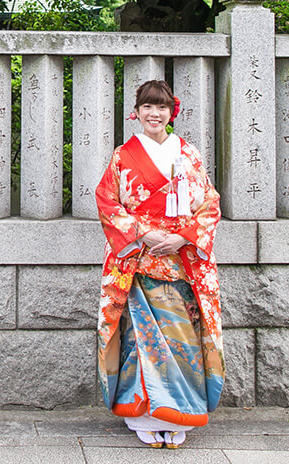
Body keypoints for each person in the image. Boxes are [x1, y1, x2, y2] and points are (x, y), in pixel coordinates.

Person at [95, 79, 224, 449]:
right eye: (148, 107)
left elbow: (209, 202)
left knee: (179, 338)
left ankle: (180, 408)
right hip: (138, 261)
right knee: (141, 340)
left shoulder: (189, 154)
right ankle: (144, 412)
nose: (155, 114)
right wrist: (143, 233)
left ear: (172, 112)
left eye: (162, 107)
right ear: (136, 112)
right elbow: (108, 202)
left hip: (180, 260)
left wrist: (182, 237)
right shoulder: (123, 156)